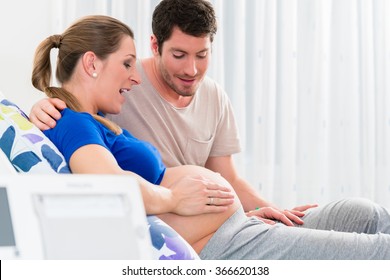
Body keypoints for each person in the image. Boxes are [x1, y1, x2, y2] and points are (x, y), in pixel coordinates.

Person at [31, 14, 390, 260]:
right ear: (92, 64)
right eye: (127, 64)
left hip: (238, 225)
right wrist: (173, 197)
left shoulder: (93, 119)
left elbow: (227, 175)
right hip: (220, 244)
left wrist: (256, 208)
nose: (135, 75)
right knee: (375, 254)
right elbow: (109, 186)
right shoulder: (73, 120)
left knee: (364, 215)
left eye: (202, 55)